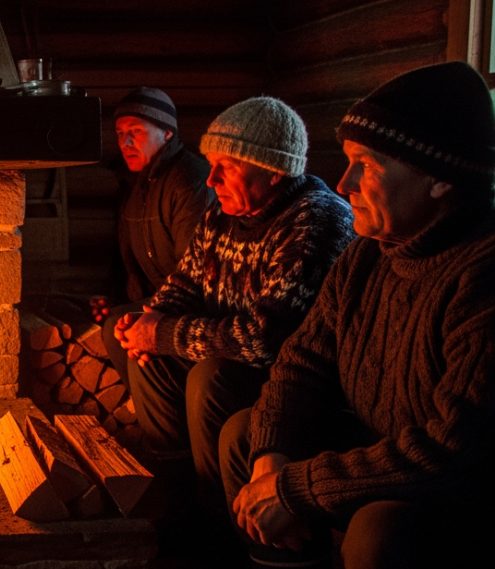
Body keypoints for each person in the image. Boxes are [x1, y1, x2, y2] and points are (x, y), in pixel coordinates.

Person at [224, 62, 495, 569]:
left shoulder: (481, 275)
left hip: (458, 493)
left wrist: (298, 488)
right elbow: (301, 363)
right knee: (247, 434)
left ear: (439, 180)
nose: (343, 182)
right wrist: (273, 460)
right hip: (380, 449)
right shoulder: (368, 253)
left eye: (365, 165)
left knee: (380, 529)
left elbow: (455, 451)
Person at [106, 96, 355, 510]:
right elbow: (185, 281)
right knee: (142, 350)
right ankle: (175, 486)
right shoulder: (225, 212)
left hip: (291, 379)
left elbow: (264, 340)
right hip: (229, 346)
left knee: (211, 376)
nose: (211, 179)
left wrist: (163, 332)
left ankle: (214, 506)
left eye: (229, 167)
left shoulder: (315, 222)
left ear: (275, 171)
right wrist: (150, 319)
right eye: (212, 163)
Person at [90, 87, 214, 388]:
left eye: (136, 131)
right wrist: (115, 298)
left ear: (167, 133)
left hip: (191, 304)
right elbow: (126, 258)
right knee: (116, 320)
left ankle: (158, 418)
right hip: (156, 299)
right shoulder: (137, 184)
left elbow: (193, 272)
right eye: (120, 133)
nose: (126, 142)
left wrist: (153, 310)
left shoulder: (188, 181)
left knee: (119, 327)